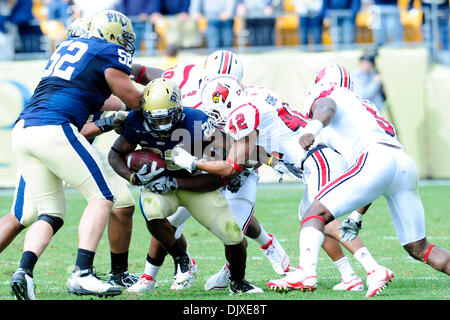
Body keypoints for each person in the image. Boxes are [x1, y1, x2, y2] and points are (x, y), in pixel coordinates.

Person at [266, 63, 450, 297]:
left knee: (313, 213)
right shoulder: (364, 106)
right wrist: (356, 216)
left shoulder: (329, 94)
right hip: (402, 163)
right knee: (419, 247)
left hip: (375, 157)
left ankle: (306, 272)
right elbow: (375, 178)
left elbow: (327, 105)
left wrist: (312, 128)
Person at [10, 10, 143, 299]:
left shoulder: (69, 49)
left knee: (50, 213)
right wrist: (159, 98)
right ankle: (82, 274)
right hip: (54, 128)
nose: (125, 43)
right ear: (110, 34)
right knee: (103, 198)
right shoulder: (108, 51)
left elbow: (102, 96)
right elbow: (133, 99)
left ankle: (24, 272)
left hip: (23, 130)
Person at [108, 77, 263, 294]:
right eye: (155, 119)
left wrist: (242, 160)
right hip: (159, 187)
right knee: (152, 211)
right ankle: (181, 257)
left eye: (165, 119)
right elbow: (115, 154)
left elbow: (224, 167)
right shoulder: (136, 120)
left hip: (193, 184)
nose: (160, 125)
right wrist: (132, 177)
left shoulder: (196, 121)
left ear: (178, 110)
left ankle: (239, 283)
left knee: (234, 235)